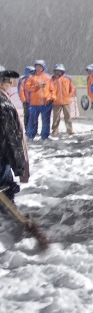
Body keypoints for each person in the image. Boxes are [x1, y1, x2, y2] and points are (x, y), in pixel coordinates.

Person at [0, 65, 29, 208]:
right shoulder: (3, 104)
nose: (10, 84)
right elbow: (10, 137)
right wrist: (19, 164)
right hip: (1, 159)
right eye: (7, 80)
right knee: (5, 198)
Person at [24, 60, 54, 141]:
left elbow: (52, 90)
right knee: (32, 120)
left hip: (46, 103)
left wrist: (50, 98)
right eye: (37, 66)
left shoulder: (48, 77)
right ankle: (30, 135)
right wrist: (37, 86)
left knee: (46, 120)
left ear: (43, 67)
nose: (38, 68)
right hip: (34, 103)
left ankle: (45, 136)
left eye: (40, 66)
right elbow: (27, 87)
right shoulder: (31, 77)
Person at [50, 64, 76, 137]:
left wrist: (69, 95)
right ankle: (55, 131)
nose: (58, 73)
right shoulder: (52, 80)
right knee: (56, 117)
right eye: (56, 71)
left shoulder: (67, 79)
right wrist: (52, 97)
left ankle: (70, 130)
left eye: (59, 71)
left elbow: (72, 88)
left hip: (66, 101)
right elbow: (49, 90)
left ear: (62, 71)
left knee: (68, 117)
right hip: (56, 102)